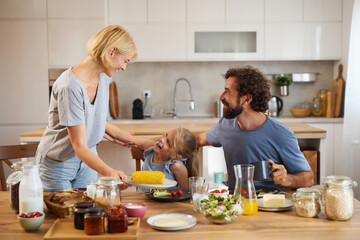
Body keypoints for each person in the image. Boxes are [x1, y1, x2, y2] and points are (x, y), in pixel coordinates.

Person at [36, 25, 138, 191]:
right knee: (60, 216)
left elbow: (93, 119)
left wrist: (129, 138)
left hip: (87, 162)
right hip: (58, 165)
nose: (124, 67)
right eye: (125, 61)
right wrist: (110, 173)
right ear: (111, 52)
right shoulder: (69, 86)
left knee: (88, 214)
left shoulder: (103, 77)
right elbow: (79, 147)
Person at [195, 66, 314, 191]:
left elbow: (308, 178)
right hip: (235, 205)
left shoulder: (281, 134)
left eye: (227, 91)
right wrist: (174, 140)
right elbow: (199, 139)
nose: (221, 96)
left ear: (247, 99)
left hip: (269, 206)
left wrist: (287, 179)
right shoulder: (226, 124)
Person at [107, 125, 199, 191]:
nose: (162, 139)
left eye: (168, 142)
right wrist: (113, 136)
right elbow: (130, 139)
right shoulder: (151, 148)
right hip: (143, 199)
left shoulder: (176, 166)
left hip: (164, 206)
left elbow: (185, 192)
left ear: (176, 156)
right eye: (166, 135)